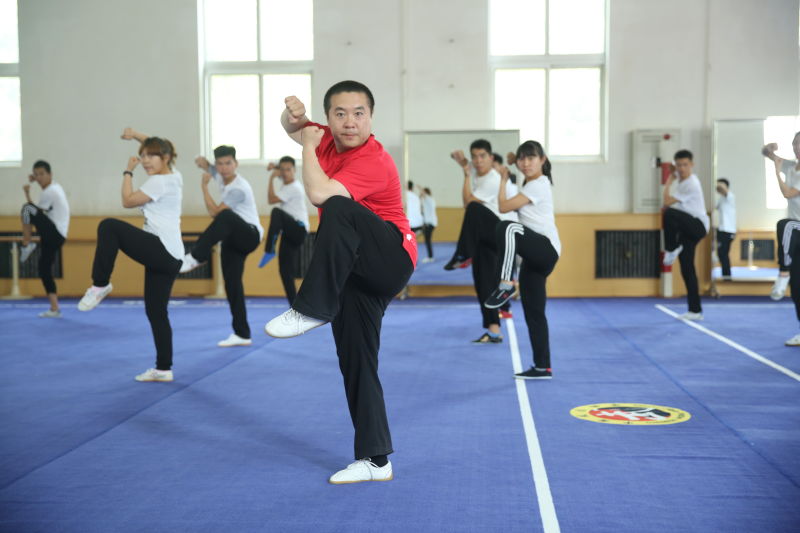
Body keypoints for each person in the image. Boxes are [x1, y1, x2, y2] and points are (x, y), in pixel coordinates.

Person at [264, 81, 416, 484]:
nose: (350, 122)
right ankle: (376, 461)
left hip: (391, 257)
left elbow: (318, 194)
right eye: (340, 114)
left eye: (359, 113)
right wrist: (294, 118)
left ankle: (310, 307)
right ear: (329, 118)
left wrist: (307, 146)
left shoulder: (374, 159)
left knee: (336, 206)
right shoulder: (326, 139)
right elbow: (292, 128)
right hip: (353, 270)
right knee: (356, 359)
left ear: (371, 117)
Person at [77, 128, 183, 382]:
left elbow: (127, 201)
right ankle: (163, 368)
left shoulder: (159, 182)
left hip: (161, 249)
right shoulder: (175, 175)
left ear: (165, 158)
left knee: (109, 227)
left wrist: (128, 171)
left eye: (151, 157)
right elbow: (158, 146)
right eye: (142, 156)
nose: (145, 160)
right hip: (172, 256)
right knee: (156, 312)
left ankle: (100, 284)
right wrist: (136, 135)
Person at [484, 141, 560, 379]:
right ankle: (542, 366)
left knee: (507, 227)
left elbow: (504, 206)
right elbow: (519, 167)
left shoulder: (538, 184)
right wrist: (512, 161)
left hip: (546, 249)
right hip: (533, 256)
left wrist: (503, 180)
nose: (526, 163)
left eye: (531, 158)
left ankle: (506, 283)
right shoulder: (530, 182)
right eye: (522, 159)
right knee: (533, 312)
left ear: (543, 160)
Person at [186, 146, 264, 347]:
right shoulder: (220, 175)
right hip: (232, 238)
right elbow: (206, 166)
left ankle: (197, 256)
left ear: (235, 164)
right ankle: (242, 333)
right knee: (232, 284)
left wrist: (204, 187)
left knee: (225, 215)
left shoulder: (239, 188)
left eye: (228, 163)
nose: (224, 168)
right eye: (220, 164)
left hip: (250, 235)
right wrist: (200, 160)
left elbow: (215, 213)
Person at [444, 139, 518, 343]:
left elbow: (468, 203)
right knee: (483, 282)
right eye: (474, 157)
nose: (478, 161)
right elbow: (466, 196)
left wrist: (466, 172)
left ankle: (463, 254)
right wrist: (465, 169)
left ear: (491, 158)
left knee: (474, 209)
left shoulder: (494, 178)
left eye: (483, 156)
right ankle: (493, 330)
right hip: (486, 237)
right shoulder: (477, 173)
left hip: (502, 233)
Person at [661, 149, 709, 321]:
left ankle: (671, 248)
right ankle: (695, 310)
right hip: (687, 228)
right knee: (687, 267)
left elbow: (666, 201)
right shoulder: (681, 182)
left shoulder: (691, 183)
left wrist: (669, 179)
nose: (682, 168)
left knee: (668, 213)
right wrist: (674, 178)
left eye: (685, 165)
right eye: (679, 165)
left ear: (692, 165)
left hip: (698, 225)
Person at [19, 160, 70, 317]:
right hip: (54, 235)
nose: (39, 177)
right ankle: (55, 308)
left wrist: (28, 192)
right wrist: (32, 184)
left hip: (54, 233)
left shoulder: (50, 191)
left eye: (42, 174)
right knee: (44, 269)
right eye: (36, 175)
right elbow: (36, 215)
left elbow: (33, 212)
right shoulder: (55, 186)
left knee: (26, 208)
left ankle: (27, 244)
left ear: (50, 174)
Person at [764, 134, 800, 345]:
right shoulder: (791, 166)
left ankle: (783, 272)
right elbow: (768, 155)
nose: (797, 147)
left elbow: (787, 193)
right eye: (795, 144)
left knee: (784, 224)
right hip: (797, 234)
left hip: (798, 226)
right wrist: (768, 149)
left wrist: (777, 172)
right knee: (797, 287)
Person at [261, 156, 310, 305]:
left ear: (294, 170)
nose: (285, 173)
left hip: (298, 229)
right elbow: (282, 168)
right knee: (285, 271)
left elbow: (271, 200)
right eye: (282, 170)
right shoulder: (286, 183)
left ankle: (269, 249)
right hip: (289, 232)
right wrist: (274, 166)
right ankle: (295, 307)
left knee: (276, 212)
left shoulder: (294, 187)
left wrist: (271, 178)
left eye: (288, 170)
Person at [715, 178, 736, 280]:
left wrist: (718, 184)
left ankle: (727, 276)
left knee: (723, 253)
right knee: (721, 254)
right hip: (721, 229)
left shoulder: (730, 196)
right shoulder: (721, 199)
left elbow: (723, 188)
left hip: (728, 230)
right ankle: (726, 275)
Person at [420, 187, 437, 263]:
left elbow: (424, 195)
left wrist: (420, 188)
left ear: (426, 192)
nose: (421, 193)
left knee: (427, 240)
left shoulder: (429, 199)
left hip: (430, 224)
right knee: (427, 240)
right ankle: (430, 256)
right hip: (428, 224)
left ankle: (430, 257)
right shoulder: (426, 201)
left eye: (423, 192)